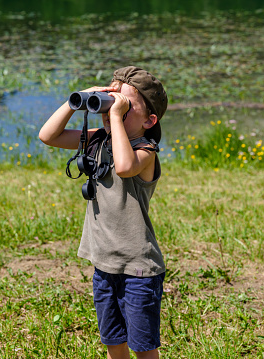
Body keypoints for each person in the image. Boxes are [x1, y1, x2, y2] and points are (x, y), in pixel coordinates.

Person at [39, 66, 168, 359]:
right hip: (104, 262)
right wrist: (80, 99)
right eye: (111, 99)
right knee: (113, 343)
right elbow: (48, 135)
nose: (113, 107)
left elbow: (124, 167)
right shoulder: (99, 139)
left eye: (125, 105)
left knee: (144, 348)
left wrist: (113, 115)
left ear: (149, 120)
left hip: (139, 269)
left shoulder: (146, 150)